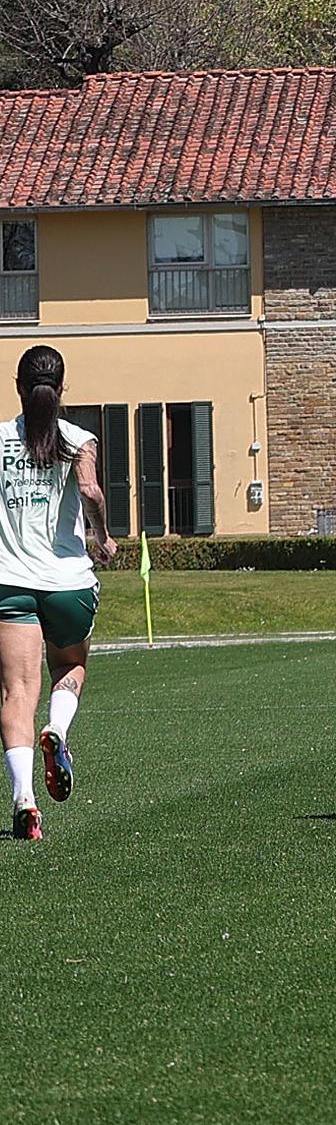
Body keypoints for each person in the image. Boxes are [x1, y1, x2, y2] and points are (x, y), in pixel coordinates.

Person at [1, 347, 116, 842]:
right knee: (69, 667)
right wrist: (103, 536)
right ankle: (59, 733)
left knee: (15, 693)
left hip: (10, 583)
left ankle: (24, 798)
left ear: (19, 387)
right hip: (66, 583)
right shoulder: (77, 439)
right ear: (62, 389)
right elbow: (90, 493)